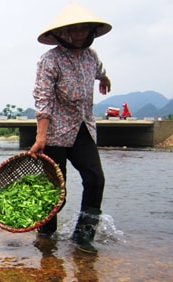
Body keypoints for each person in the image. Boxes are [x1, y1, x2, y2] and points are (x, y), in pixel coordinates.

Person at [28, 3, 112, 254]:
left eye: (83, 29)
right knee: (56, 192)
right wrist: (40, 137)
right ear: (63, 33)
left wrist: (105, 78)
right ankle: (45, 236)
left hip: (83, 127)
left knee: (96, 179)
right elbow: (43, 99)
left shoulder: (91, 56)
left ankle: (83, 235)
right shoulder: (49, 60)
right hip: (55, 132)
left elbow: (99, 71)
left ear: (90, 32)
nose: (78, 34)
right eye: (73, 30)